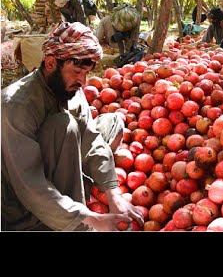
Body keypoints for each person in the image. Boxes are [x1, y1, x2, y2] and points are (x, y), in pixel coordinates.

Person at [1, 22, 144, 231]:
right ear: (51, 63)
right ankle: (67, 218)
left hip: (55, 165)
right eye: (77, 72)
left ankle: (78, 188)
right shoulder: (15, 106)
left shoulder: (70, 89)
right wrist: (87, 218)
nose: (83, 82)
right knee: (64, 125)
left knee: (112, 122)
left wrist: (113, 193)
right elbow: (28, 185)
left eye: (86, 73)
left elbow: (91, 139)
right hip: (21, 203)